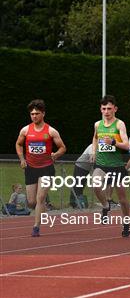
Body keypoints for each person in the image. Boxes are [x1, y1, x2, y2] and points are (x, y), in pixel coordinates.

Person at [15, 99, 66, 236]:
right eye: (32, 114)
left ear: (43, 114)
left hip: (46, 168)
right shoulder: (25, 130)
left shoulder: (51, 131)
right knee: (31, 202)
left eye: (37, 113)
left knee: (40, 198)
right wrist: (22, 159)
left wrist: (56, 155)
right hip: (31, 168)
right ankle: (43, 211)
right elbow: (18, 144)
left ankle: (36, 227)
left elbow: (62, 148)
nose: (34, 116)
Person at [90, 95, 130, 237]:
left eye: (109, 108)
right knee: (95, 184)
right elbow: (95, 138)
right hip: (101, 164)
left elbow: (126, 145)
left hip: (117, 165)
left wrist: (113, 143)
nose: (106, 111)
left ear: (115, 109)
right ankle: (105, 205)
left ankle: (126, 223)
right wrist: (94, 151)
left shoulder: (119, 124)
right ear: (100, 109)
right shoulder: (97, 124)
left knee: (122, 199)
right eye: (104, 109)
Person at [70, 144, 93, 208]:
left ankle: (78, 202)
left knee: (82, 184)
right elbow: (92, 159)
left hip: (87, 168)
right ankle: (74, 203)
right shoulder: (92, 146)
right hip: (80, 166)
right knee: (77, 184)